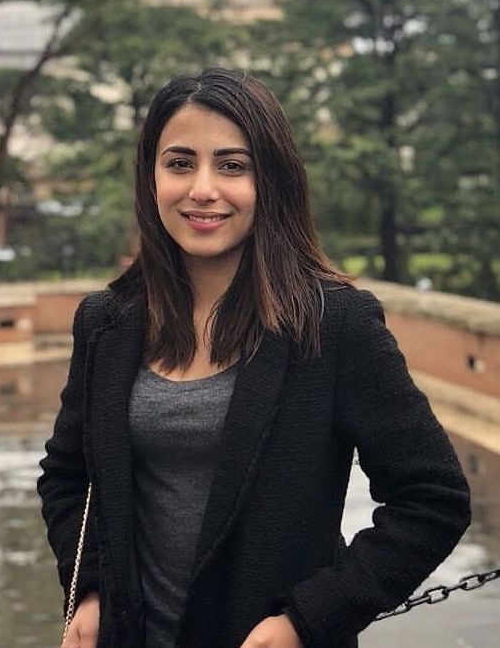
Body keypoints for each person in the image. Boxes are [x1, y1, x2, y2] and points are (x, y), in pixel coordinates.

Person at [38, 68, 471, 648]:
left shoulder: (332, 323)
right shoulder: (106, 322)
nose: (203, 188)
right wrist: (90, 587)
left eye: (232, 166)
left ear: (272, 180)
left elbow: (432, 500)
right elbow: (67, 477)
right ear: (151, 177)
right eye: (180, 162)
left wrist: (306, 620)